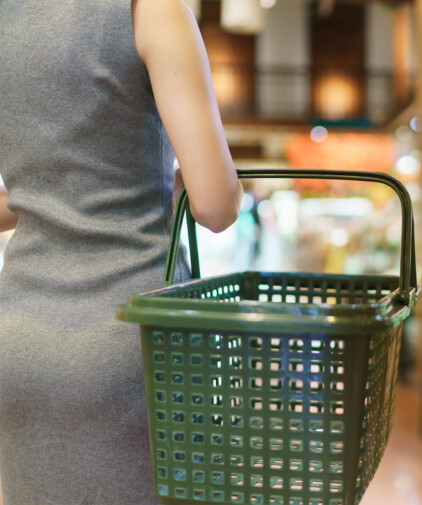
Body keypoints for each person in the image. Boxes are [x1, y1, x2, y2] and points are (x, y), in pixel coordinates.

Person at [0, 0, 243, 503]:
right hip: (134, 346)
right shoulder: (148, 8)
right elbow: (216, 205)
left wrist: (47, 200)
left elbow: (26, 200)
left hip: (17, 341)